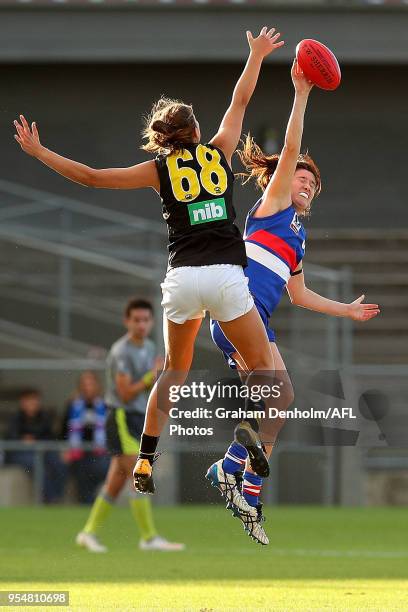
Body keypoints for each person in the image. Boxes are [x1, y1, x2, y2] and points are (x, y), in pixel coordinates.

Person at [13, 27, 286, 515]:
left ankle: (145, 459)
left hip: (182, 281)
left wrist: (40, 153)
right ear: (196, 131)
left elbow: (92, 177)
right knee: (264, 368)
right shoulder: (218, 152)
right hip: (226, 274)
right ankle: (249, 431)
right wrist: (256, 55)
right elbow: (240, 99)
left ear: (163, 138)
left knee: (175, 372)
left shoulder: (158, 170)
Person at [209, 59, 380, 544]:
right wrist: (301, 93)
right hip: (235, 311)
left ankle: (244, 487)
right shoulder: (272, 206)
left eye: (311, 182)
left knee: (280, 403)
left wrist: (345, 309)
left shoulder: (297, 240)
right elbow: (287, 148)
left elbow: (299, 294)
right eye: (298, 177)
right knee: (277, 398)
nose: (304, 183)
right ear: (279, 183)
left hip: (254, 319)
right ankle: (235, 477)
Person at [75, 298, 183, 552]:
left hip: (138, 419)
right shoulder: (121, 351)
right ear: (127, 321)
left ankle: (87, 533)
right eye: (136, 320)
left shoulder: (149, 347)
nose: (141, 324)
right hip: (121, 418)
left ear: (152, 321)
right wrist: (151, 376)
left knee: (115, 482)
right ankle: (148, 538)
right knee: (141, 475)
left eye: (146, 320)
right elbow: (125, 394)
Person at [6, 388, 66, 503]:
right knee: (36, 463)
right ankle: (51, 498)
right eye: (29, 401)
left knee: (59, 463)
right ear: (22, 402)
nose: (33, 404)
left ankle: (57, 496)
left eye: (35, 400)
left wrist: (37, 441)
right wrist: (22, 440)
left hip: (41, 450)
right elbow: (11, 438)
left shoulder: (44, 418)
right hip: (20, 453)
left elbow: (51, 437)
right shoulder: (15, 418)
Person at [61, 371, 110, 504]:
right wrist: (66, 449)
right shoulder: (73, 406)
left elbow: (112, 431)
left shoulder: (106, 405)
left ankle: (93, 502)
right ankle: (86, 504)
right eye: (85, 384)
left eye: (91, 384)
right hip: (78, 452)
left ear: (97, 386)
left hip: (100, 452)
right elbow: (63, 431)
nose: (88, 387)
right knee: (78, 471)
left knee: (100, 468)